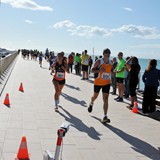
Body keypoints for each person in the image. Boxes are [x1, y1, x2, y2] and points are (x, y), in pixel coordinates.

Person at [88, 48, 112, 123]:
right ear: (103, 53)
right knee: (95, 96)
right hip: (98, 82)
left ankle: (105, 116)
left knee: (105, 99)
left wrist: (113, 72)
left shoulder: (110, 63)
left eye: (109, 53)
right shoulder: (99, 61)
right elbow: (92, 70)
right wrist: (99, 70)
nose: (108, 54)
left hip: (106, 83)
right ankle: (91, 102)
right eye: (106, 53)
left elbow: (111, 71)